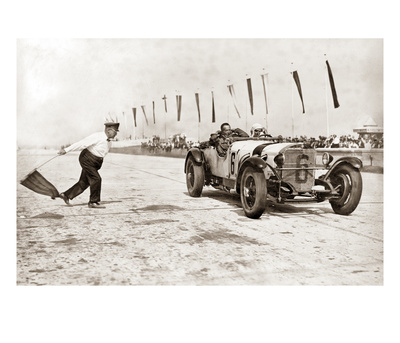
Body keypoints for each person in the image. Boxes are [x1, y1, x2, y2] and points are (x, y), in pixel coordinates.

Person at [58, 122, 119, 208]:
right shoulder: (98, 136)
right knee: (96, 179)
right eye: (115, 131)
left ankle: (66, 195)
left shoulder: (109, 141)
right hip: (87, 159)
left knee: (84, 182)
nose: (116, 133)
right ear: (109, 130)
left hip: (95, 162)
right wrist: (66, 150)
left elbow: (101, 153)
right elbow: (82, 143)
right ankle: (93, 202)